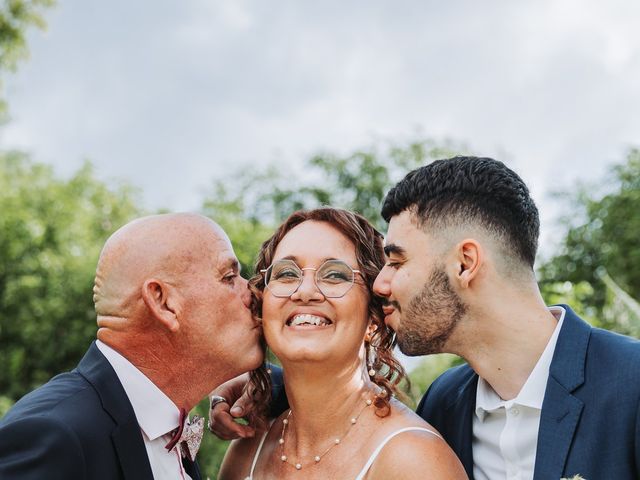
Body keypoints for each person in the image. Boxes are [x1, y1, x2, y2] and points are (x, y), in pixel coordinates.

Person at [211, 157, 640, 479]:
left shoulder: (631, 385)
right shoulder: (446, 402)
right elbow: (339, 412)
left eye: (396, 262)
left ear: (465, 263)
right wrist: (270, 384)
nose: (381, 286)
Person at [0, 213, 264, 480]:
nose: (253, 292)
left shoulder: (164, 430)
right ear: (163, 302)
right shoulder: (52, 436)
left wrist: (278, 386)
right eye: (229, 277)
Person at [217, 207, 467, 479]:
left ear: (373, 318)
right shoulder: (248, 449)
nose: (305, 292)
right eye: (286, 274)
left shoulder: (413, 460)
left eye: (335, 275)